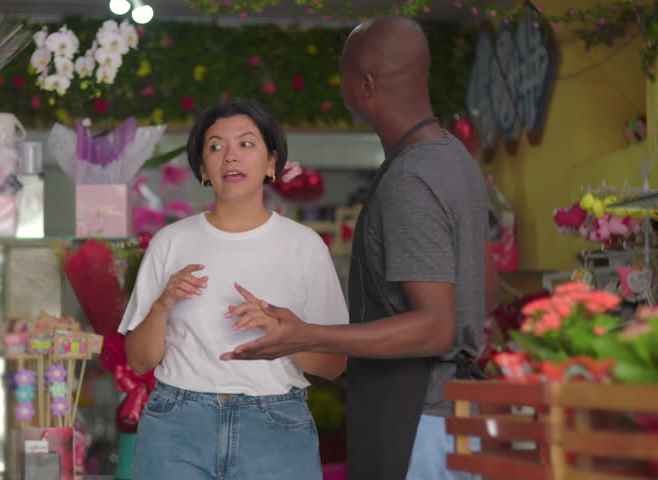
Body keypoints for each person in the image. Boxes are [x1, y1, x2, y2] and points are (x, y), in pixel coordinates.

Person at [220, 17, 499, 480]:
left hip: (417, 421)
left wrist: (305, 334)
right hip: (455, 415)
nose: (342, 86)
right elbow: (485, 288)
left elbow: (434, 327)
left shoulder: (410, 180)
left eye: (343, 73)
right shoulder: (456, 159)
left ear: (365, 84)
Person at [117, 97, 348, 480]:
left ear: (271, 162)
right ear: (204, 170)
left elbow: (333, 365)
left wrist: (283, 333)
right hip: (176, 425)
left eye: (246, 143)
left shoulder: (304, 245)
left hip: (274, 425)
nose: (230, 157)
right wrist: (161, 306)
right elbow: (140, 361)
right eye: (215, 146)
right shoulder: (170, 242)